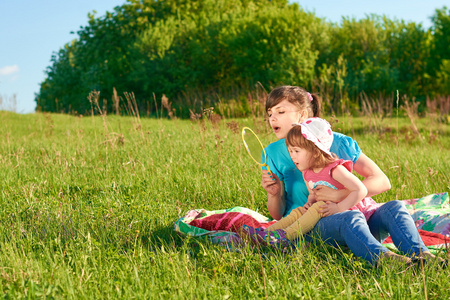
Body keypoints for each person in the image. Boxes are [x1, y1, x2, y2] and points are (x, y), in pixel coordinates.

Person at [254, 85, 446, 267]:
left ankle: (422, 256)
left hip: (358, 222)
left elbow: (382, 181)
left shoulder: (337, 142)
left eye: (280, 112)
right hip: (313, 227)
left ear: (303, 115)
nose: (272, 118)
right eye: (270, 113)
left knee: (394, 207)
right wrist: (274, 194)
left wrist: (339, 196)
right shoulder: (271, 153)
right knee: (350, 217)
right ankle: (387, 261)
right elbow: (278, 215)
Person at [243, 117, 380, 248]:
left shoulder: (335, 169)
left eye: (296, 151)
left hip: (346, 211)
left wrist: (339, 207)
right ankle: (263, 234)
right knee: (299, 211)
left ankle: (284, 237)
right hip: (325, 211)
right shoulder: (307, 172)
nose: (292, 155)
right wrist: (310, 201)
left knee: (318, 207)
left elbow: (361, 190)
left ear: (315, 151)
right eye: (290, 151)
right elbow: (313, 194)